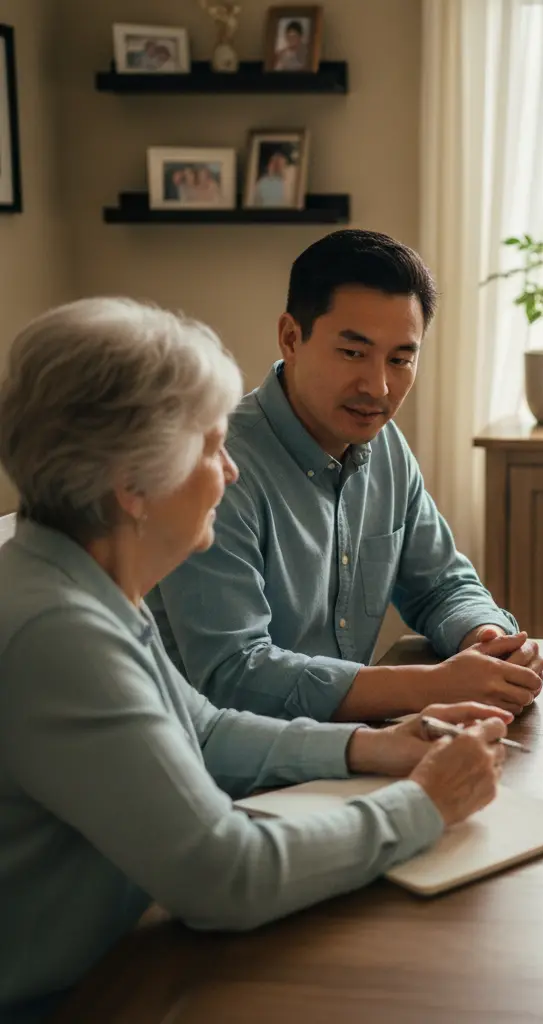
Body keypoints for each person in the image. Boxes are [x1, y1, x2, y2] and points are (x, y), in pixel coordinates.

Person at [0, 298, 511, 1022]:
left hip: (121, 963)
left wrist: (373, 746)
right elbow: (224, 875)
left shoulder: (82, 579)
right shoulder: (59, 632)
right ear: (131, 486)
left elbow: (200, 730)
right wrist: (426, 804)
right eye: (211, 446)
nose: (232, 472)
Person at [149, 230, 543, 723]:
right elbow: (234, 675)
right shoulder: (215, 468)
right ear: (291, 337)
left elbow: (441, 585)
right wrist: (432, 686)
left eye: (401, 359)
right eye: (353, 353)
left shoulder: (385, 447)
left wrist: (485, 639)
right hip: (226, 769)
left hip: (348, 749)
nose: (378, 386)